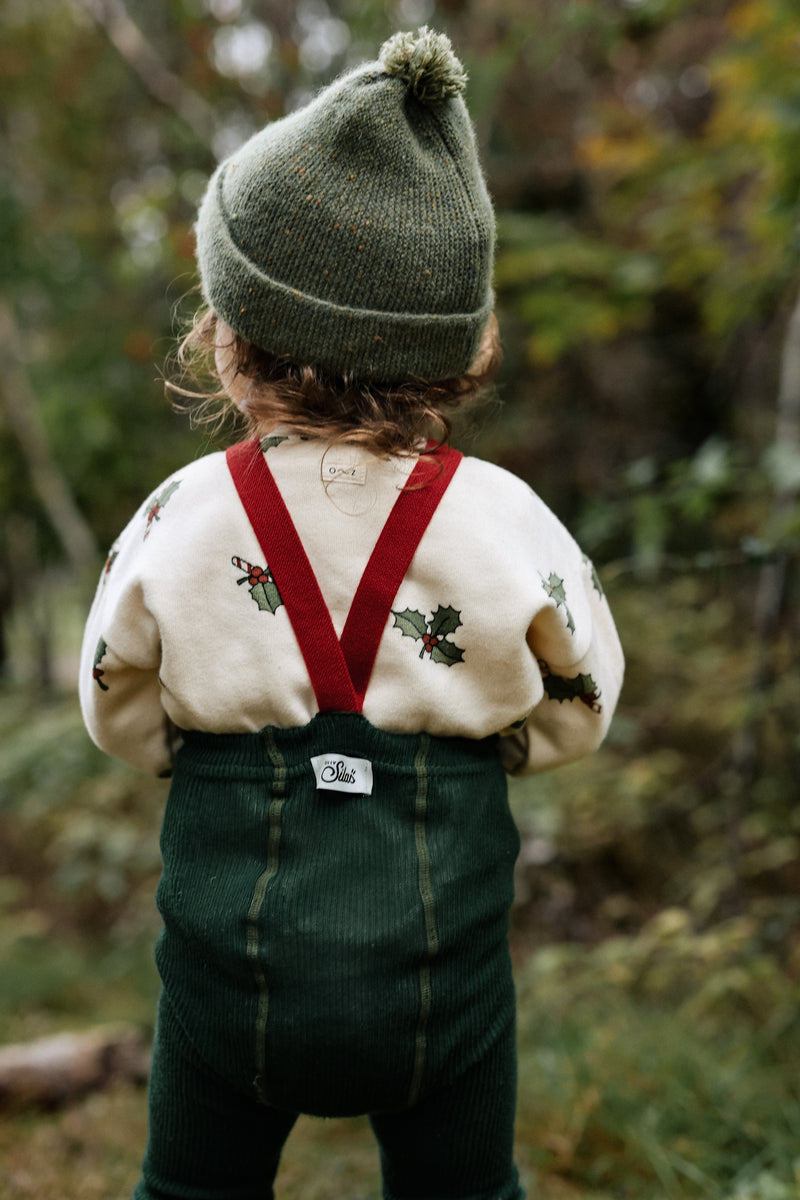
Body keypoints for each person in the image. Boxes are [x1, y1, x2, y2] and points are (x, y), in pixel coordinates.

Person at [79, 26, 624, 1200]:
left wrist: (184, 750)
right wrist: (508, 745)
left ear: (230, 339)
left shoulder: (183, 511)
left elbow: (110, 688)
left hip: (230, 979)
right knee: (463, 1189)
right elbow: (583, 688)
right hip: (444, 982)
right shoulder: (504, 518)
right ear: (457, 349)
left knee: (191, 1188)